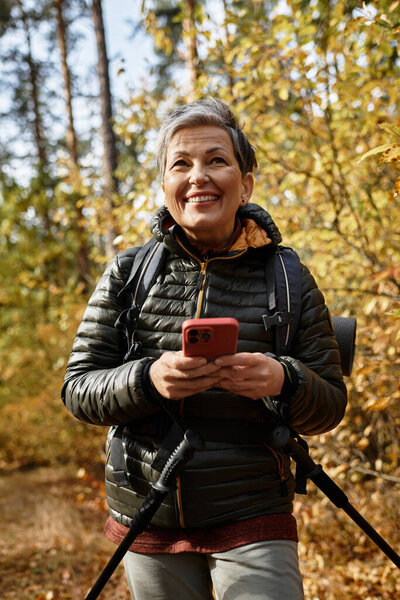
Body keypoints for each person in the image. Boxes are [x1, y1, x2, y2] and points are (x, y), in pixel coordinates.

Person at [62, 97, 347, 600]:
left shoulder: (290, 278)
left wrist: (285, 379)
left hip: (254, 509)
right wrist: (146, 380)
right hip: (147, 507)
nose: (199, 176)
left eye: (217, 160)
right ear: (165, 186)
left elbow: (330, 405)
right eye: (181, 163)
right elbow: (78, 388)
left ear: (246, 182)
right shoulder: (129, 274)